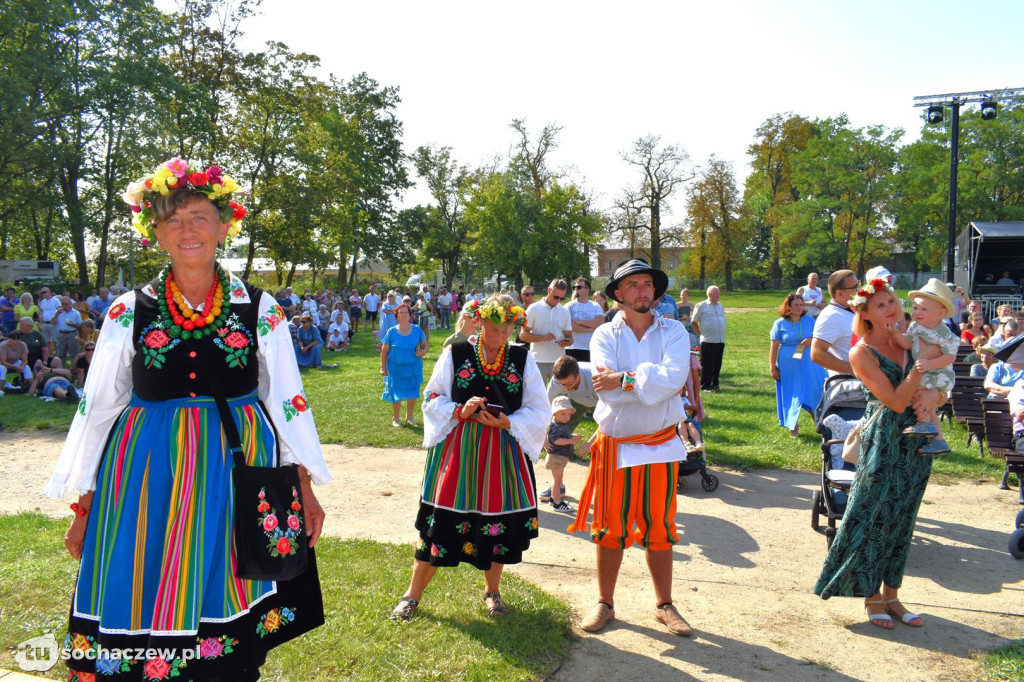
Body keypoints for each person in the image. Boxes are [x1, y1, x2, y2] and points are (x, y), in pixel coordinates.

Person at [46, 157, 330, 680]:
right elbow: (99, 411)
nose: (187, 230)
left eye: (199, 216)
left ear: (225, 226)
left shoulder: (261, 309)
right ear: (155, 233)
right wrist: (84, 503)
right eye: (172, 220)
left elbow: (288, 403)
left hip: (232, 472)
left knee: (220, 579)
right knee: (142, 577)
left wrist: (304, 487)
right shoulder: (127, 311)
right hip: (147, 474)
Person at [390, 295, 547, 622]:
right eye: (493, 329)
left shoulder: (521, 357)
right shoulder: (456, 353)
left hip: (502, 454)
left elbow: (538, 407)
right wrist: (458, 410)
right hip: (458, 453)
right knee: (438, 528)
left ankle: (492, 592)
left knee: (497, 530)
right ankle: (412, 595)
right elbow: (432, 396)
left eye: (506, 330)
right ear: (479, 322)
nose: (500, 337)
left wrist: (509, 421)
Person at [567, 258, 693, 637]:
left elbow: (674, 382)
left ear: (655, 292)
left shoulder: (674, 331)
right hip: (616, 444)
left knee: (659, 525)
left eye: (647, 285)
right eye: (634, 285)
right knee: (609, 526)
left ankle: (664, 604)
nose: (643, 291)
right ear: (619, 294)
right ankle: (605, 602)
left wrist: (624, 380)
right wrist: (642, 384)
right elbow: (612, 391)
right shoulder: (606, 334)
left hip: (659, 444)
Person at [814, 277, 934, 631]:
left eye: (892, 301)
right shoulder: (861, 352)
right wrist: (919, 368)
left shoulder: (911, 341)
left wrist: (934, 396)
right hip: (883, 442)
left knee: (903, 520)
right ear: (864, 313)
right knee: (872, 517)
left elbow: (936, 387)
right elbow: (895, 402)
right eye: (880, 305)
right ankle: (871, 598)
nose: (891, 308)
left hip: (917, 442)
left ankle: (893, 595)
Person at [769, 293, 826, 437]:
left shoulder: (809, 320)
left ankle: (819, 425)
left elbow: (819, 338)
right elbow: (774, 347)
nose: (800, 307)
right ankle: (793, 427)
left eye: (801, 304)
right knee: (791, 392)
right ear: (788, 307)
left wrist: (811, 340)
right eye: (796, 305)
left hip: (809, 362)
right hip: (789, 364)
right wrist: (772, 367)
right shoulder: (779, 323)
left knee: (815, 391)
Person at [380, 303, 428, 427]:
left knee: (413, 391)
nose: (404, 314)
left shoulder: (417, 329)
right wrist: (383, 368)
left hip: (413, 367)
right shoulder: (391, 332)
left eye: (406, 312)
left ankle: (410, 416)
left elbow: (425, 343)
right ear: (397, 316)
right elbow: (384, 351)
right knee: (396, 391)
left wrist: (423, 351)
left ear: (410, 315)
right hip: (396, 369)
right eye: (401, 312)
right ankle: (396, 418)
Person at [520, 279, 573, 383]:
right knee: (537, 395)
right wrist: (543, 337)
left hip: (558, 361)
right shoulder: (534, 308)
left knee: (558, 395)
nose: (558, 300)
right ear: (549, 290)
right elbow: (523, 335)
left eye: (562, 298)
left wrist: (567, 342)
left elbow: (570, 336)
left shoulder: (564, 311)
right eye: (556, 297)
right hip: (538, 360)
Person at [811, 269, 858, 376]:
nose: (859, 290)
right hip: (850, 384)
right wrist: (854, 369)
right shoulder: (830, 316)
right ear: (840, 293)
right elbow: (817, 353)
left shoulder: (852, 309)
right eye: (855, 288)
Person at [547, 354, 599, 434]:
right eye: (562, 384)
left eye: (569, 384)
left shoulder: (595, 379)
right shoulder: (556, 380)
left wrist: (589, 444)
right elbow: (549, 405)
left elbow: (609, 416)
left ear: (578, 374)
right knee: (558, 430)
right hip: (575, 399)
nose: (565, 388)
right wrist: (546, 431)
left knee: (609, 432)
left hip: (600, 401)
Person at [545, 396, 579, 513]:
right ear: (554, 414)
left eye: (568, 414)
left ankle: (554, 498)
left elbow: (562, 438)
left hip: (560, 457)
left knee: (558, 479)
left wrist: (571, 437)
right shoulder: (556, 426)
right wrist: (571, 441)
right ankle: (557, 503)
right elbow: (556, 440)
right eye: (563, 414)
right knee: (557, 480)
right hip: (556, 457)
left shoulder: (561, 425)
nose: (567, 417)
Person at [691, 285, 726, 391]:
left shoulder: (720, 306)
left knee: (717, 363)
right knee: (707, 364)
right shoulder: (702, 305)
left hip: (720, 339)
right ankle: (705, 385)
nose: (718, 295)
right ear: (709, 294)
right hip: (708, 340)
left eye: (719, 293)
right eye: (716, 293)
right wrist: (699, 333)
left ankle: (715, 384)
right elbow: (694, 321)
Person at [566, 278, 604, 362]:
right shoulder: (568, 306)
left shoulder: (595, 306)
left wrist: (579, 322)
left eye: (579, 287)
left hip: (591, 348)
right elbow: (571, 326)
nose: (576, 289)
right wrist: (591, 328)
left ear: (587, 289)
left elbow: (599, 323)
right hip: (572, 348)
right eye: (574, 287)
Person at [54, 296, 83, 364]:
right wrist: (57, 313)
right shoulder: (58, 312)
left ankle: (74, 371)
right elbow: (53, 322)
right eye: (62, 304)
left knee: (74, 354)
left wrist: (73, 325)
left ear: (70, 304)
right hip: (61, 334)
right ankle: (61, 370)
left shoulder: (76, 313)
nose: (64, 306)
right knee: (61, 354)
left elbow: (81, 326)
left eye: (66, 304)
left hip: (72, 333)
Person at [37, 285, 61, 353]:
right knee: (47, 340)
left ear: (49, 292)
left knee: (56, 340)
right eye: (42, 293)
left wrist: (55, 318)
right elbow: (41, 311)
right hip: (44, 323)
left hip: (53, 323)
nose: (43, 294)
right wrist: (40, 317)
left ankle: (58, 353)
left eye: (45, 292)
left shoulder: (55, 300)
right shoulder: (43, 302)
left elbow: (60, 310)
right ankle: (50, 353)